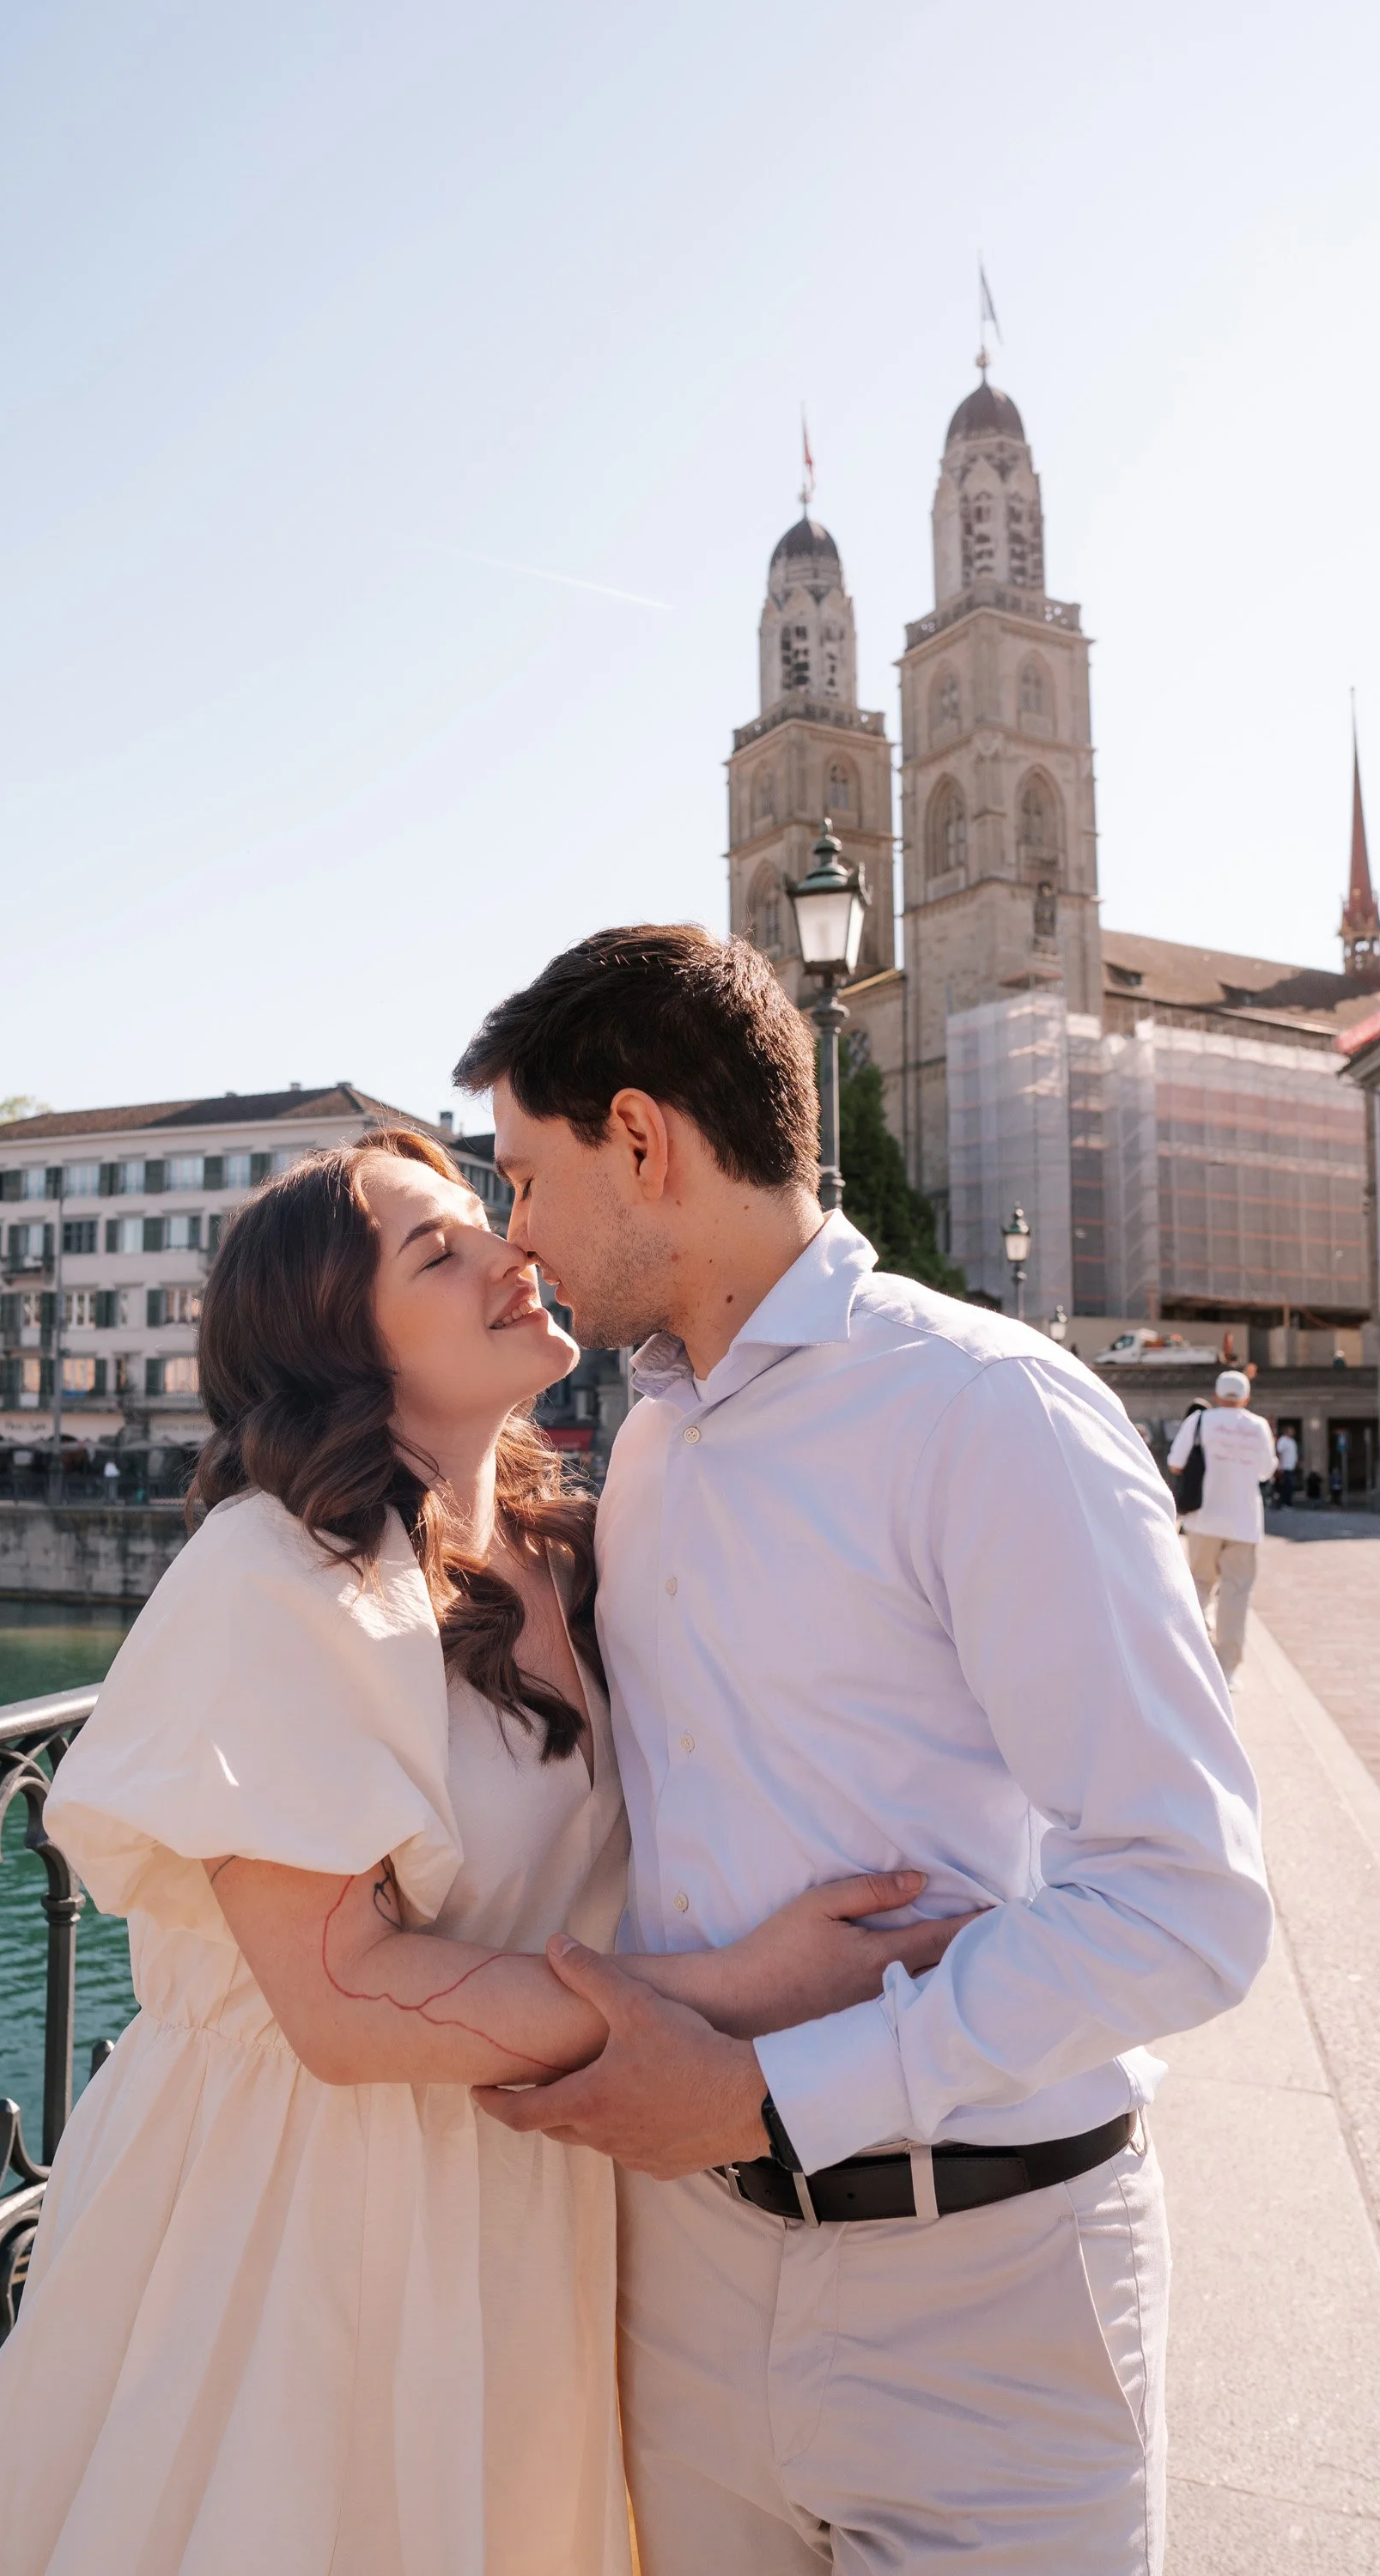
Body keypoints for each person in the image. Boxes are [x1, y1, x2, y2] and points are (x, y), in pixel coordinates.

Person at [0, 1124, 967, 2576]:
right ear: (342, 1342)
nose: (509, 1252)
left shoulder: (572, 1547)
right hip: (309, 2211)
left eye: (488, 1220)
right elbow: (341, 2005)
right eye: (440, 1249)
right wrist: (745, 1987)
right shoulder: (272, 1571)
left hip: (526, 2186)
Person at [454, 926, 1273, 2576]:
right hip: (687, 2285)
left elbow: (1191, 1906)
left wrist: (767, 2094)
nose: (514, 1236)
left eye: (526, 1178)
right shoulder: (653, 1445)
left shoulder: (990, 1414)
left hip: (983, 2300)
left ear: (642, 1140)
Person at [1166, 1369, 1277, 1680]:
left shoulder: (1199, 1422)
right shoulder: (1257, 1426)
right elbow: (1266, 1471)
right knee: (1236, 1593)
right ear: (1246, 1397)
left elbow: (1176, 1462)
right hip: (1244, 1521)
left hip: (1204, 1519)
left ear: (1216, 1395)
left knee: (1200, 1584)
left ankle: (1197, 1655)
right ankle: (1227, 1669)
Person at [1274, 1425, 1299, 1509]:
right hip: (1284, 1467)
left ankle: (1288, 1503)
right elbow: (1279, 1452)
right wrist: (1279, 1465)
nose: (1293, 1432)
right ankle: (1283, 1504)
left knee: (1291, 1486)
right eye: (1291, 1430)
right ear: (1287, 1431)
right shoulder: (1283, 1440)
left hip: (1291, 1467)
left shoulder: (1292, 1442)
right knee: (1285, 1486)